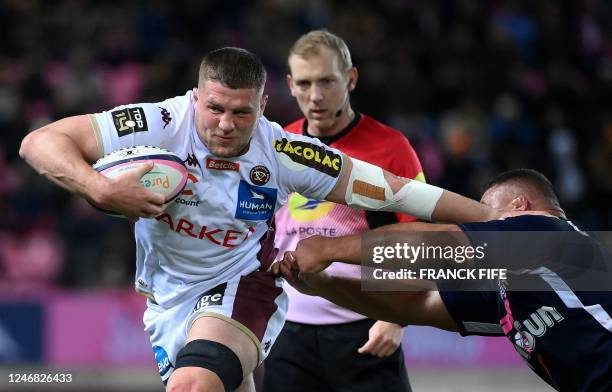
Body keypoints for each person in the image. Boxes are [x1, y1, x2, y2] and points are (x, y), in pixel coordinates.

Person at [20, 47, 500, 392]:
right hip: (167, 297)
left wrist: (498, 219)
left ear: (264, 107)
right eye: (214, 109)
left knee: (192, 386)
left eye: (241, 113)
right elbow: (39, 143)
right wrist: (101, 189)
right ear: (194, 99)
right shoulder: (159, 123)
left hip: (243, 282)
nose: (226, 124)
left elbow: (403, 193)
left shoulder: (286, 154)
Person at [275, 169, 612, 392]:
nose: (478, 223)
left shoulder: (549, 235)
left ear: (519, 205)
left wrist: (330, 249)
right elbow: (419, 303)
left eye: (485, 214)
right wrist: (325, 285)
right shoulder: (507, 289)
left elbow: (443, 246)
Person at [263, 30, 418, 392]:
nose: (315, 96)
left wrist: (397, 318)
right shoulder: (277, 144)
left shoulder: (391, 149)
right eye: (304, 83)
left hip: (364, 327)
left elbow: (417, 238)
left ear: (350, 79)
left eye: (326, 81)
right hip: (288, 333)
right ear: (290, 84)